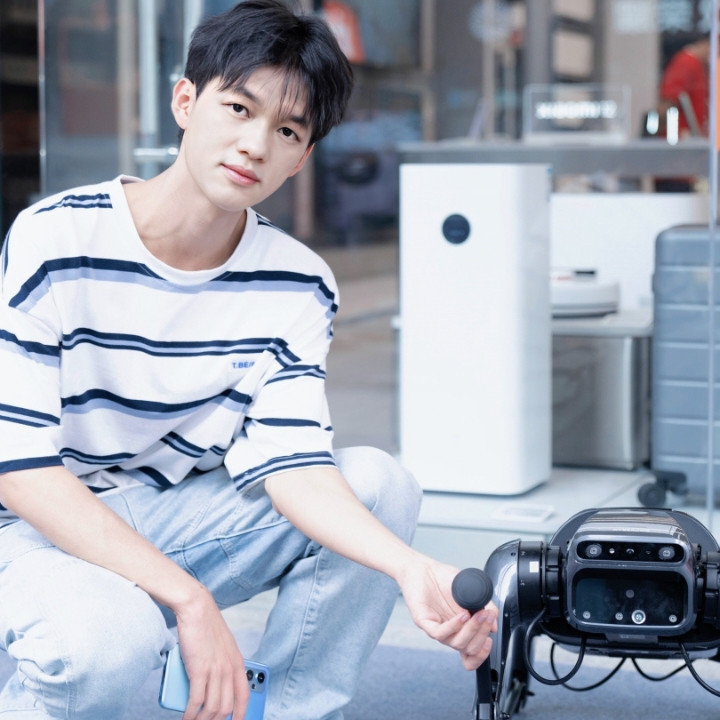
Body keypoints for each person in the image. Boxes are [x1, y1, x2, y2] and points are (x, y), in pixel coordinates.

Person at [0, 2, 497, 719]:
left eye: (288, 130)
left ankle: (289, 711)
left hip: (167, 518)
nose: (256, 144)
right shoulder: (56, 238)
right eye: (239, 107)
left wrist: (411, 568)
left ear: (302, 157)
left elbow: (293, 466)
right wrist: (189, 600)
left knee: (379, 486)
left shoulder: (298, 283)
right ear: (185, 101)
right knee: (105, 643)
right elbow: (21, 471)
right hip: (33, 528)